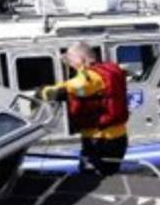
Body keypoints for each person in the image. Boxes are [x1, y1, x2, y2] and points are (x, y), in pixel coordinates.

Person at [40, 41, 130, 176]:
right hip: (118, 136)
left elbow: (76, 87)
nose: (69, 64)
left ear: (81, 59)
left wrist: (44, 91)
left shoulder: (90, 77)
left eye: (70, 59)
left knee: (91, 176)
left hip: (100, 139)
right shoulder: (110, 70)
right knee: (109, 173)